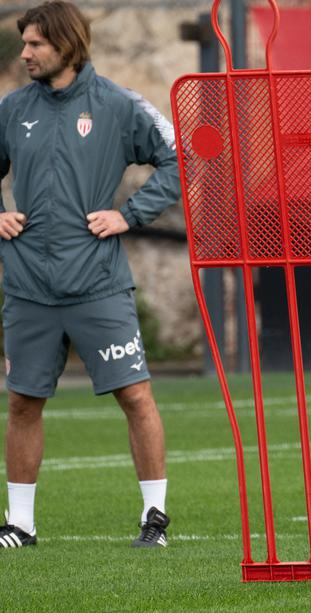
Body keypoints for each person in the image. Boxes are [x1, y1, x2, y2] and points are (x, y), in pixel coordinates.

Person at [0, 1, 180, 549]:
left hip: (97, 284)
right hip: (28, 284)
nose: (25, 53)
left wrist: (130, 213)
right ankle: (20, 526)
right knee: (23, 402)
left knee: (135, 397)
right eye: (24, 43)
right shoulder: (12, 109)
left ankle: (155, 518)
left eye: (35, 44)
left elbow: (179, 160)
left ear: (66, 46)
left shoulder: (119, 105)